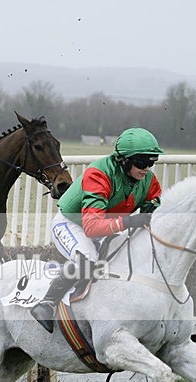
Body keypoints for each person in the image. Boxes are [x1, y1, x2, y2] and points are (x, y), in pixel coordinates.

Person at [30, 127, 164, 332]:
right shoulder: (99, 174)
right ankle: (46, 303)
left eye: (151, 162)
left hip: (106, 226)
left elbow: (152, 207)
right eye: (141, 163)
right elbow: (92, 227)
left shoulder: (148, 179)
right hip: (72, 223)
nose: (147, 168)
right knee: (87, 258)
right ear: (124, 160)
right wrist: (129, 222)